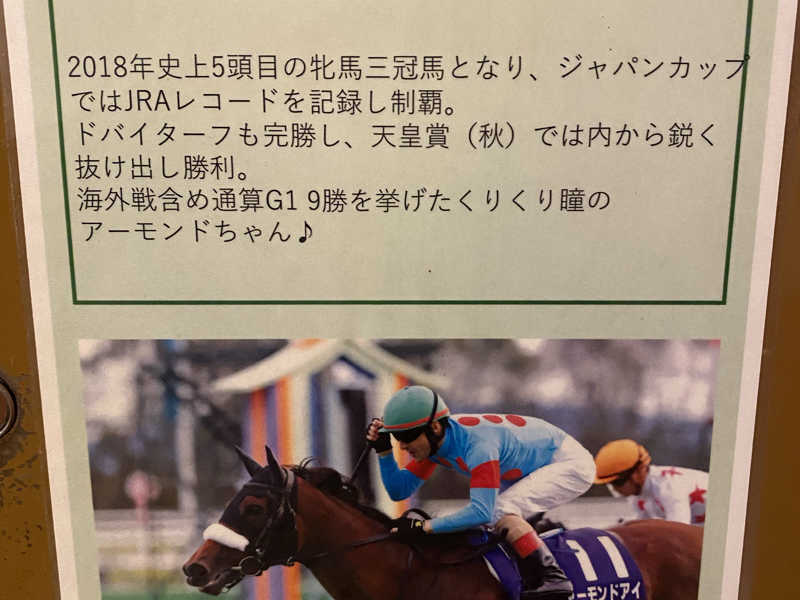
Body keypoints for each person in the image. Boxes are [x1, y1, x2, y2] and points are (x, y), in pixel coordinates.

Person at [367, 385, 596, 600]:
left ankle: (553, 578)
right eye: (397, 437)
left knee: (499, 511)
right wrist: (384, 452)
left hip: (569, 463)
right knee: (495, 517)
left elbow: (481, 512)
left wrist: (424, 527)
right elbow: (399, 491)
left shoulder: (478, 446)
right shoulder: (437, 443)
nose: (402, 446)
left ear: (434, 428)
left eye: (406, 437)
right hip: (532, 465)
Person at [593, 439, 708, 525]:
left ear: (638, 472)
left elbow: (679, 531)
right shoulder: (636, 496)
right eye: (610, 484)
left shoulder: (668, 487)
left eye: (617, 483)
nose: (615, 489)